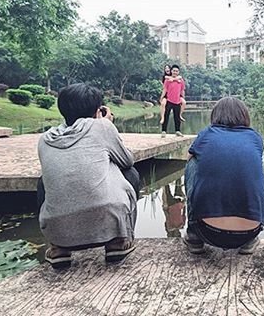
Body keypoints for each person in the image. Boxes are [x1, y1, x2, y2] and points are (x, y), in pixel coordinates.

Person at [37, 83, 139, 269]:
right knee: (130, 173)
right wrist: (106, 123)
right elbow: (127, 161)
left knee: (42, 182)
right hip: (106, 223)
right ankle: (117, 241)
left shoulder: (45, 138)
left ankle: (58, 248)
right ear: (97, 110)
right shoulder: (102, 127)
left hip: (59, 229)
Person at [183, 97, 264, 254]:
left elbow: (188, 158)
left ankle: (193, 236)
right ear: (244, 116)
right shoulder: (255, 138)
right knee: (249, 166)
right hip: (248, 233)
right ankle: (250, 242)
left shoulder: (207, 134)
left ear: (215, 116)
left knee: (193, 163)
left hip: (207, 232)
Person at [160, 64, 186, 137]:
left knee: (177, 117)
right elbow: (164, 89)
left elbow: (182, 90)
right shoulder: (167, 80)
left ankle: (177, 131)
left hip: (177, 101)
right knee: (166, 115)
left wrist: (183, 97)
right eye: (174, 71)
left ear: (178, 72)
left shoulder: (181, 80)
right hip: (169, 100)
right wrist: (161, 97)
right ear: (171, 71)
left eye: (176, 71)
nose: (175, 72)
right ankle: (164, 131)